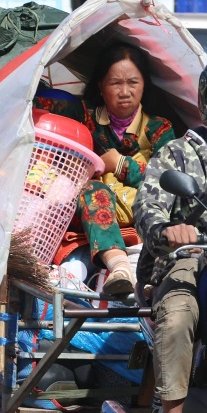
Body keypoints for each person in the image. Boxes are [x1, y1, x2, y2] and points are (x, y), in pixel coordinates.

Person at [133, 52, 207, 413]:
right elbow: (146, 203)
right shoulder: (182, 152)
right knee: (176, 318)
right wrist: (169, 230)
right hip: (193, 261)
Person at [36, 43, 176, 297]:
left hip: (138, 213)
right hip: (85, 209)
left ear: (144, 84)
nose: (125, 92)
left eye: (133, 82)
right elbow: (35, 105)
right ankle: (119, 267)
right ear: (101, 86)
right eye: (115, 84)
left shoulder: (160, 128)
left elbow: (166, 178)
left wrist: (121, 164)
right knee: (91, 189)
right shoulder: (83, 115)